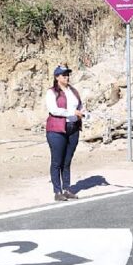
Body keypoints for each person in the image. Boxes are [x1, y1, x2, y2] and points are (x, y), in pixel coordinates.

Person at [45, 64, 85, 201]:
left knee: (67, 161)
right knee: (57, 161)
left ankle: (67, 188)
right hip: (57, 129)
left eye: (67, 74)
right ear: (57, 77)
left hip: (73, 128)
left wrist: (83, 113)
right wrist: (72, 112)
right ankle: (57, 191)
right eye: (64, 75)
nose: (66, 77)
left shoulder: (73, 91)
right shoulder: (51, 92)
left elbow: (80, 105)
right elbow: (54, 110)